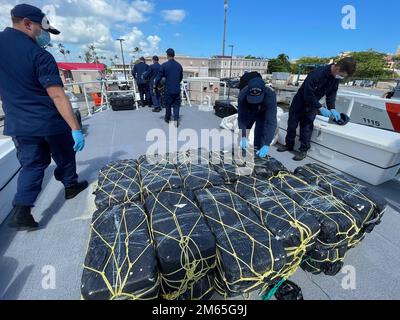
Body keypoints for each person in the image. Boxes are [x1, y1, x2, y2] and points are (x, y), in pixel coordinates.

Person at [0, 4, 88, 231]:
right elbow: (57, 95)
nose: (44, 35)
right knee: (65, 153)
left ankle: (22, 210)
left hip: (18, 123)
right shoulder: (40, 55)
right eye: (42, 29)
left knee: (32, 165)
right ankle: (70, 186)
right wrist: (75, 128)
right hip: (48, 121)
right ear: (28, 24)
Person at [278, 57, 357, 161]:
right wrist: (320, 108)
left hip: (312, 106)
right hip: (300, 102)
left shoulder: (336, 79)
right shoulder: (317, 74)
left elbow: (331, 94)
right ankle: (289, 145)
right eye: (342, 75)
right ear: (338, 69)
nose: (341, 77)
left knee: (306, 127)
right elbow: (308, 94)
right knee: (292, 125)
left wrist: (332, 108)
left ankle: (303, 150)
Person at [238, 77, 278, 158]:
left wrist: (267, 143)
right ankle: (242, 153)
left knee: (260, 134)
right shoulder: (242, 95)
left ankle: (257, 152)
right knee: (243, 134)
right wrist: (243, 135)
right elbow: (242, 118)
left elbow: (271, 121)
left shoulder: (270, 95)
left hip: (263, 113)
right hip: (248, 111)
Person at [155, 48, 183, 126]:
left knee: (168, 105)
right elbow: (180, 78)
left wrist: (156, 84)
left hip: (168, 90)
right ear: (174, 55)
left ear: (167, 55)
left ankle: (167, 119)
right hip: (177, 89)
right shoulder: (179, 65)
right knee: (176, 105)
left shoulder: (164, 65)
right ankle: (176, 120)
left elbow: (158, 77)